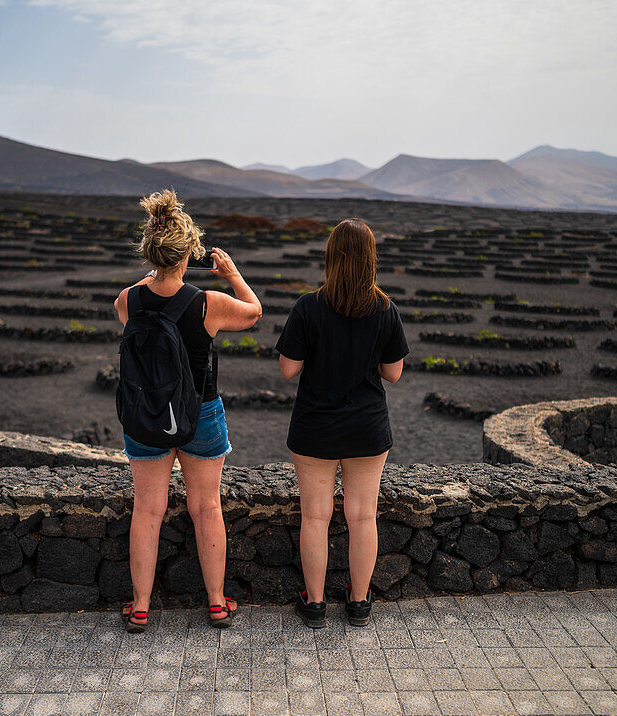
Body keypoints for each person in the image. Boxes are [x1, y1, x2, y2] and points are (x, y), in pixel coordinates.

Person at [113, 189, 262, 632]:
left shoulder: (128, 300)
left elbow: (136, 317)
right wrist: (232, 274)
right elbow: (254, 313)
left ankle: (140, 606)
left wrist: (153, 276)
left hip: (146, 416)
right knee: (206, 507)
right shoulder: (207, 303)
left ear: (150, 251)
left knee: (148, 509)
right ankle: (216, 603)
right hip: (201, 413)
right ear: (188, 252)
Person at [275, 218, 409, 628]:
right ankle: (360, 602)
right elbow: (394, 373)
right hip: (367, 428)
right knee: (362, 516)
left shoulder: (308, 306)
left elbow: (287, 369)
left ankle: (314, 603)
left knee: (316, 516)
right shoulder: (386, 309)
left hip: (315, 426)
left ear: (331, 256)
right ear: (372, 259)